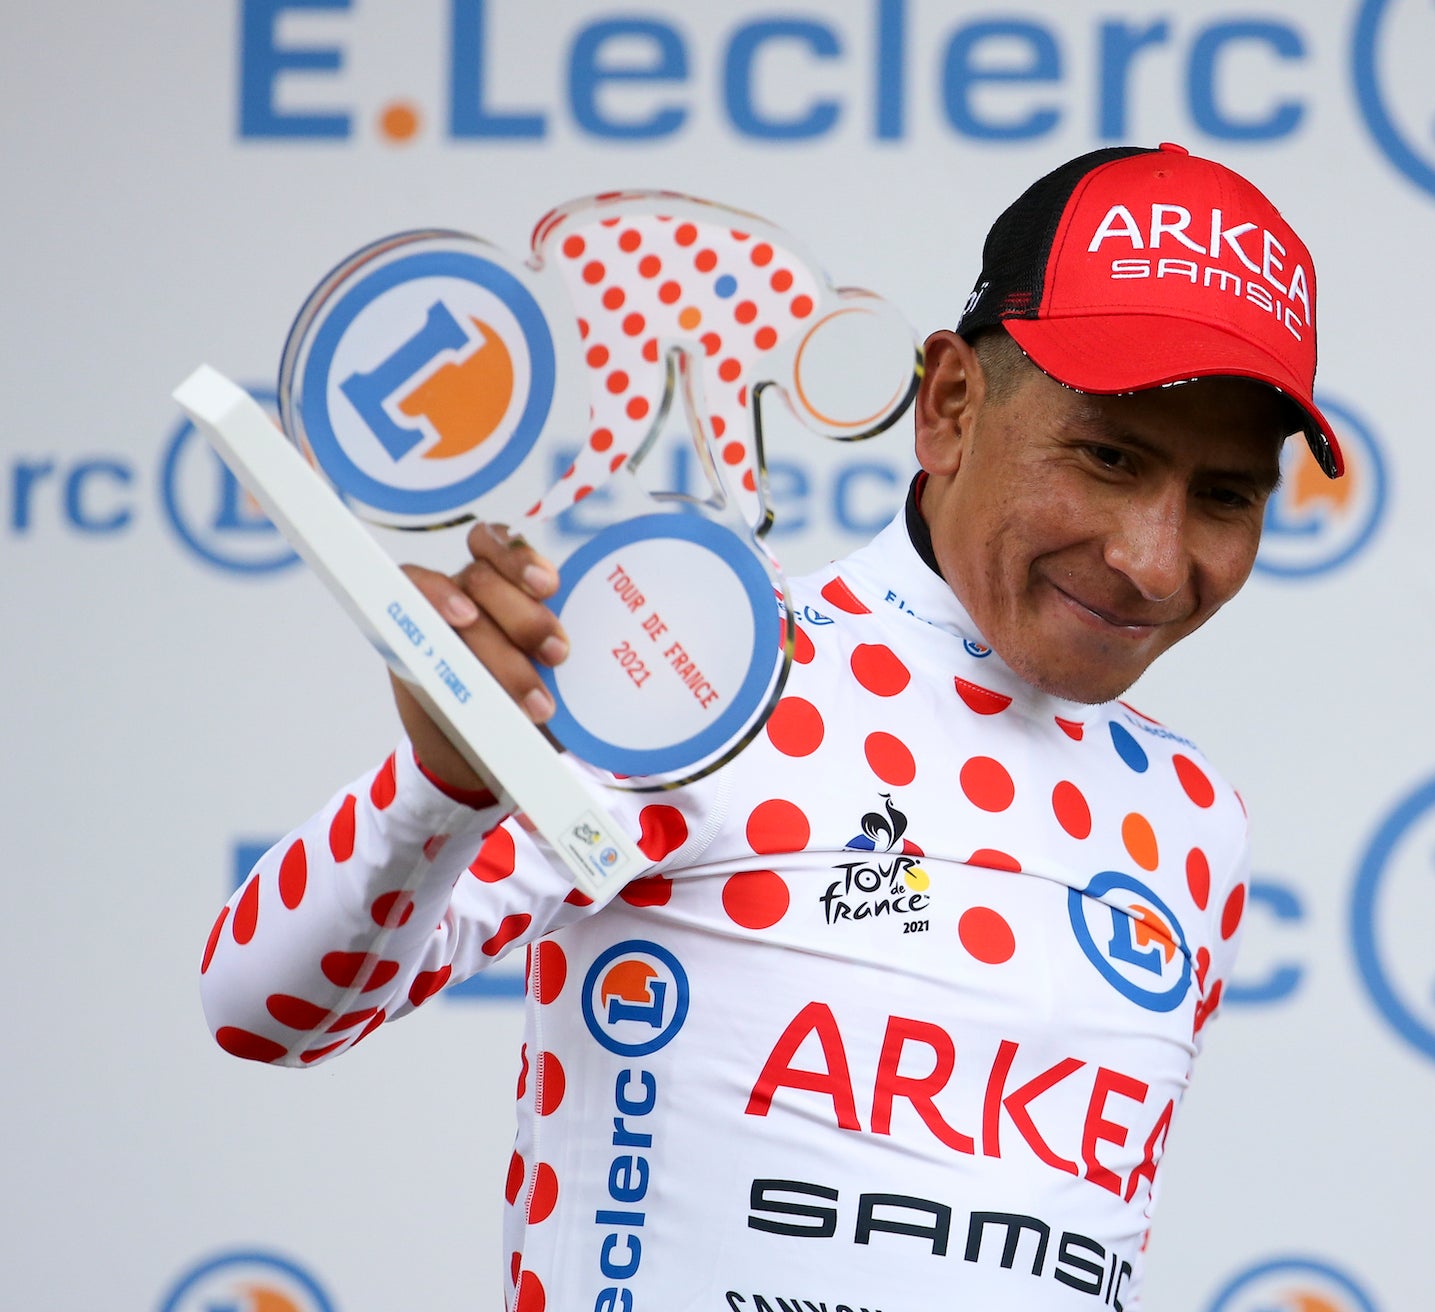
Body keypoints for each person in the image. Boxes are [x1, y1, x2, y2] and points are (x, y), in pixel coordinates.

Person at [199, 143, 1344, 1312]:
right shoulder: (706, 680)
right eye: (1106, 456)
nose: (1151, 561)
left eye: (1223, 496)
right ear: (949, 406)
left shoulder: (1191, 817)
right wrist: (441, 788)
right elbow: (260, 1007)